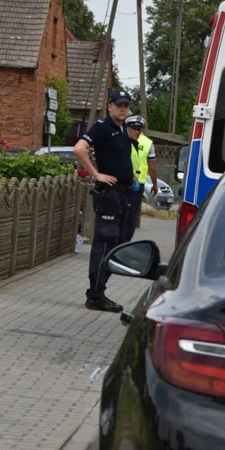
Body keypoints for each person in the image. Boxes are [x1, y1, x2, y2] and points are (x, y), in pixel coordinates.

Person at [73, 90, 139, 312]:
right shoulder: (103, 126)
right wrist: (95, 174)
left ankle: (98, 290)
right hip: (109, 196)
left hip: (124, 196)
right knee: (104, 243)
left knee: (119, 242)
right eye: (119, 105)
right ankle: (96, 295)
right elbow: (79, 149)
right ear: (109, 106)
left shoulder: (122, 129)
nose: (123, 108)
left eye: (126, 105)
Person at [124, 115, 158, 242]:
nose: (137, 131)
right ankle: (125, 242)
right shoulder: (148, 143)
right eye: (135, 129)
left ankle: (122, 241)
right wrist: (155, 184)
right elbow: (152, 168)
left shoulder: (122, 139)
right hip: (137, 185)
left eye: (138, 129)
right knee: (132, 215)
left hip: (127, 183)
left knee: (124, 214)